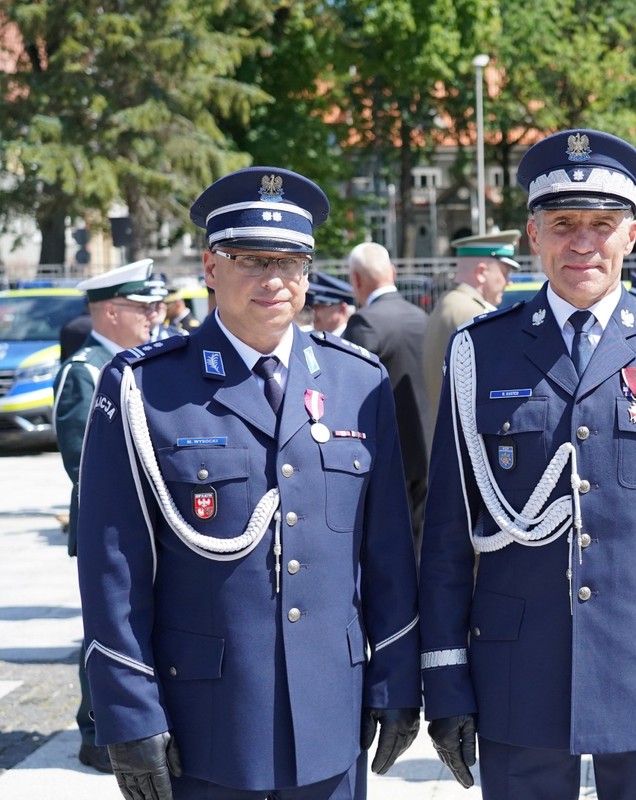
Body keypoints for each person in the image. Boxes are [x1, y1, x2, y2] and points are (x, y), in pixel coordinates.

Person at [75, 166, 421, 800]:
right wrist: (128, 710)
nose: (274, 279)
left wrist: (397, 677)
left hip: (331, 715)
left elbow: (388, 551)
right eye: (251, 260)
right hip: (206, 724)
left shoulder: (358, 382)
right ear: (211, 267)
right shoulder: (144, 388)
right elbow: (113, 564)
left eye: (289, 262)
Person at [419, 129, 636, 800]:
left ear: (631, 236)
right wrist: (446, 677)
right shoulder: (480, 353)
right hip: (518, 667)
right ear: (533, 236)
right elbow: (448, 532)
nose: (582, 243)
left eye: (601, 224)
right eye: (564, 224)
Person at [52, 258, 161, 774]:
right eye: (143, 308)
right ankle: (95, 732)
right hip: (107, 524)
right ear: (112, 311)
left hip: (150, 521)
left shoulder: (140, 362)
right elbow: (81, 459)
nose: (154, 315)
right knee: (105, 624)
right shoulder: (84, 370)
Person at [344, 242, 431, 546]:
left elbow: (350, 390)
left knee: (392, 548)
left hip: (389, 455)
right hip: (428, 446)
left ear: (356, 280)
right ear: (393, 272)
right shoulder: (421, 316)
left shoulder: (364, 321)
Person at [421, 230, 522, 414]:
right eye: (505, 273)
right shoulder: (475, 315)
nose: (509, 282)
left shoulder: (448, 302)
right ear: (482, 272)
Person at [306, 272, 356, 336]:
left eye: (319, 306)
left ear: (342, 309)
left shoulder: (354, 338)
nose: (313, 311)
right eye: (312, 307)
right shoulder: (316, 338)